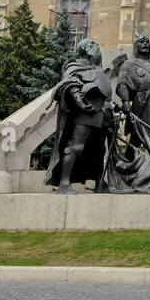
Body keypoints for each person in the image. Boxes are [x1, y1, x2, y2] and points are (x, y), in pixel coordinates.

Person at [45, 38, 116, 193]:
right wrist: (80, 102)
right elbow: (70, 84)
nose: (96, 47)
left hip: (103, 114)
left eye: (96, 44)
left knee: (99, 150)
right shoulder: (75, 67)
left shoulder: (98, 70)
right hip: (86, 113)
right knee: (75, 147)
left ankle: (99, 182)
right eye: (92, 44)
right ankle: (64, 183)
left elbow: (106, 94)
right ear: (83, 48)